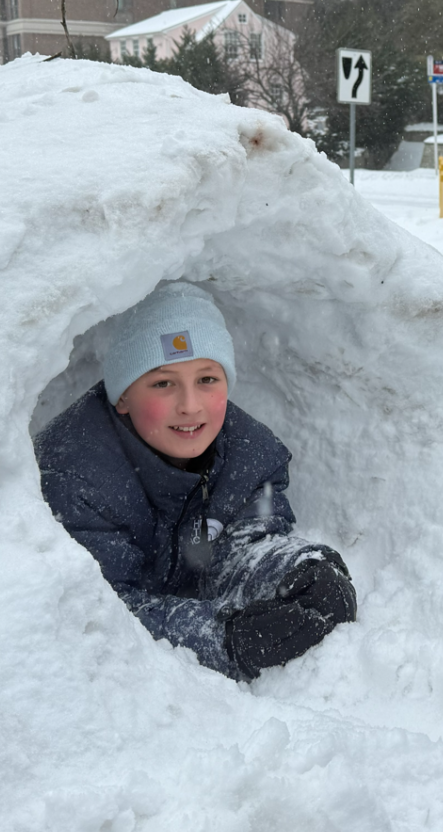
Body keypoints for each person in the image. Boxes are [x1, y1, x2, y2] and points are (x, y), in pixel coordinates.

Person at [34, 282, 356, 680]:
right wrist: (225, 639)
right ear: (122, 396)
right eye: (163, 383)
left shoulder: (248, 456)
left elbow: (245, 547)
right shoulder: (76, 477)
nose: (190, 405)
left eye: (207, 379)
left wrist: (299, 570)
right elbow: (102, 611)